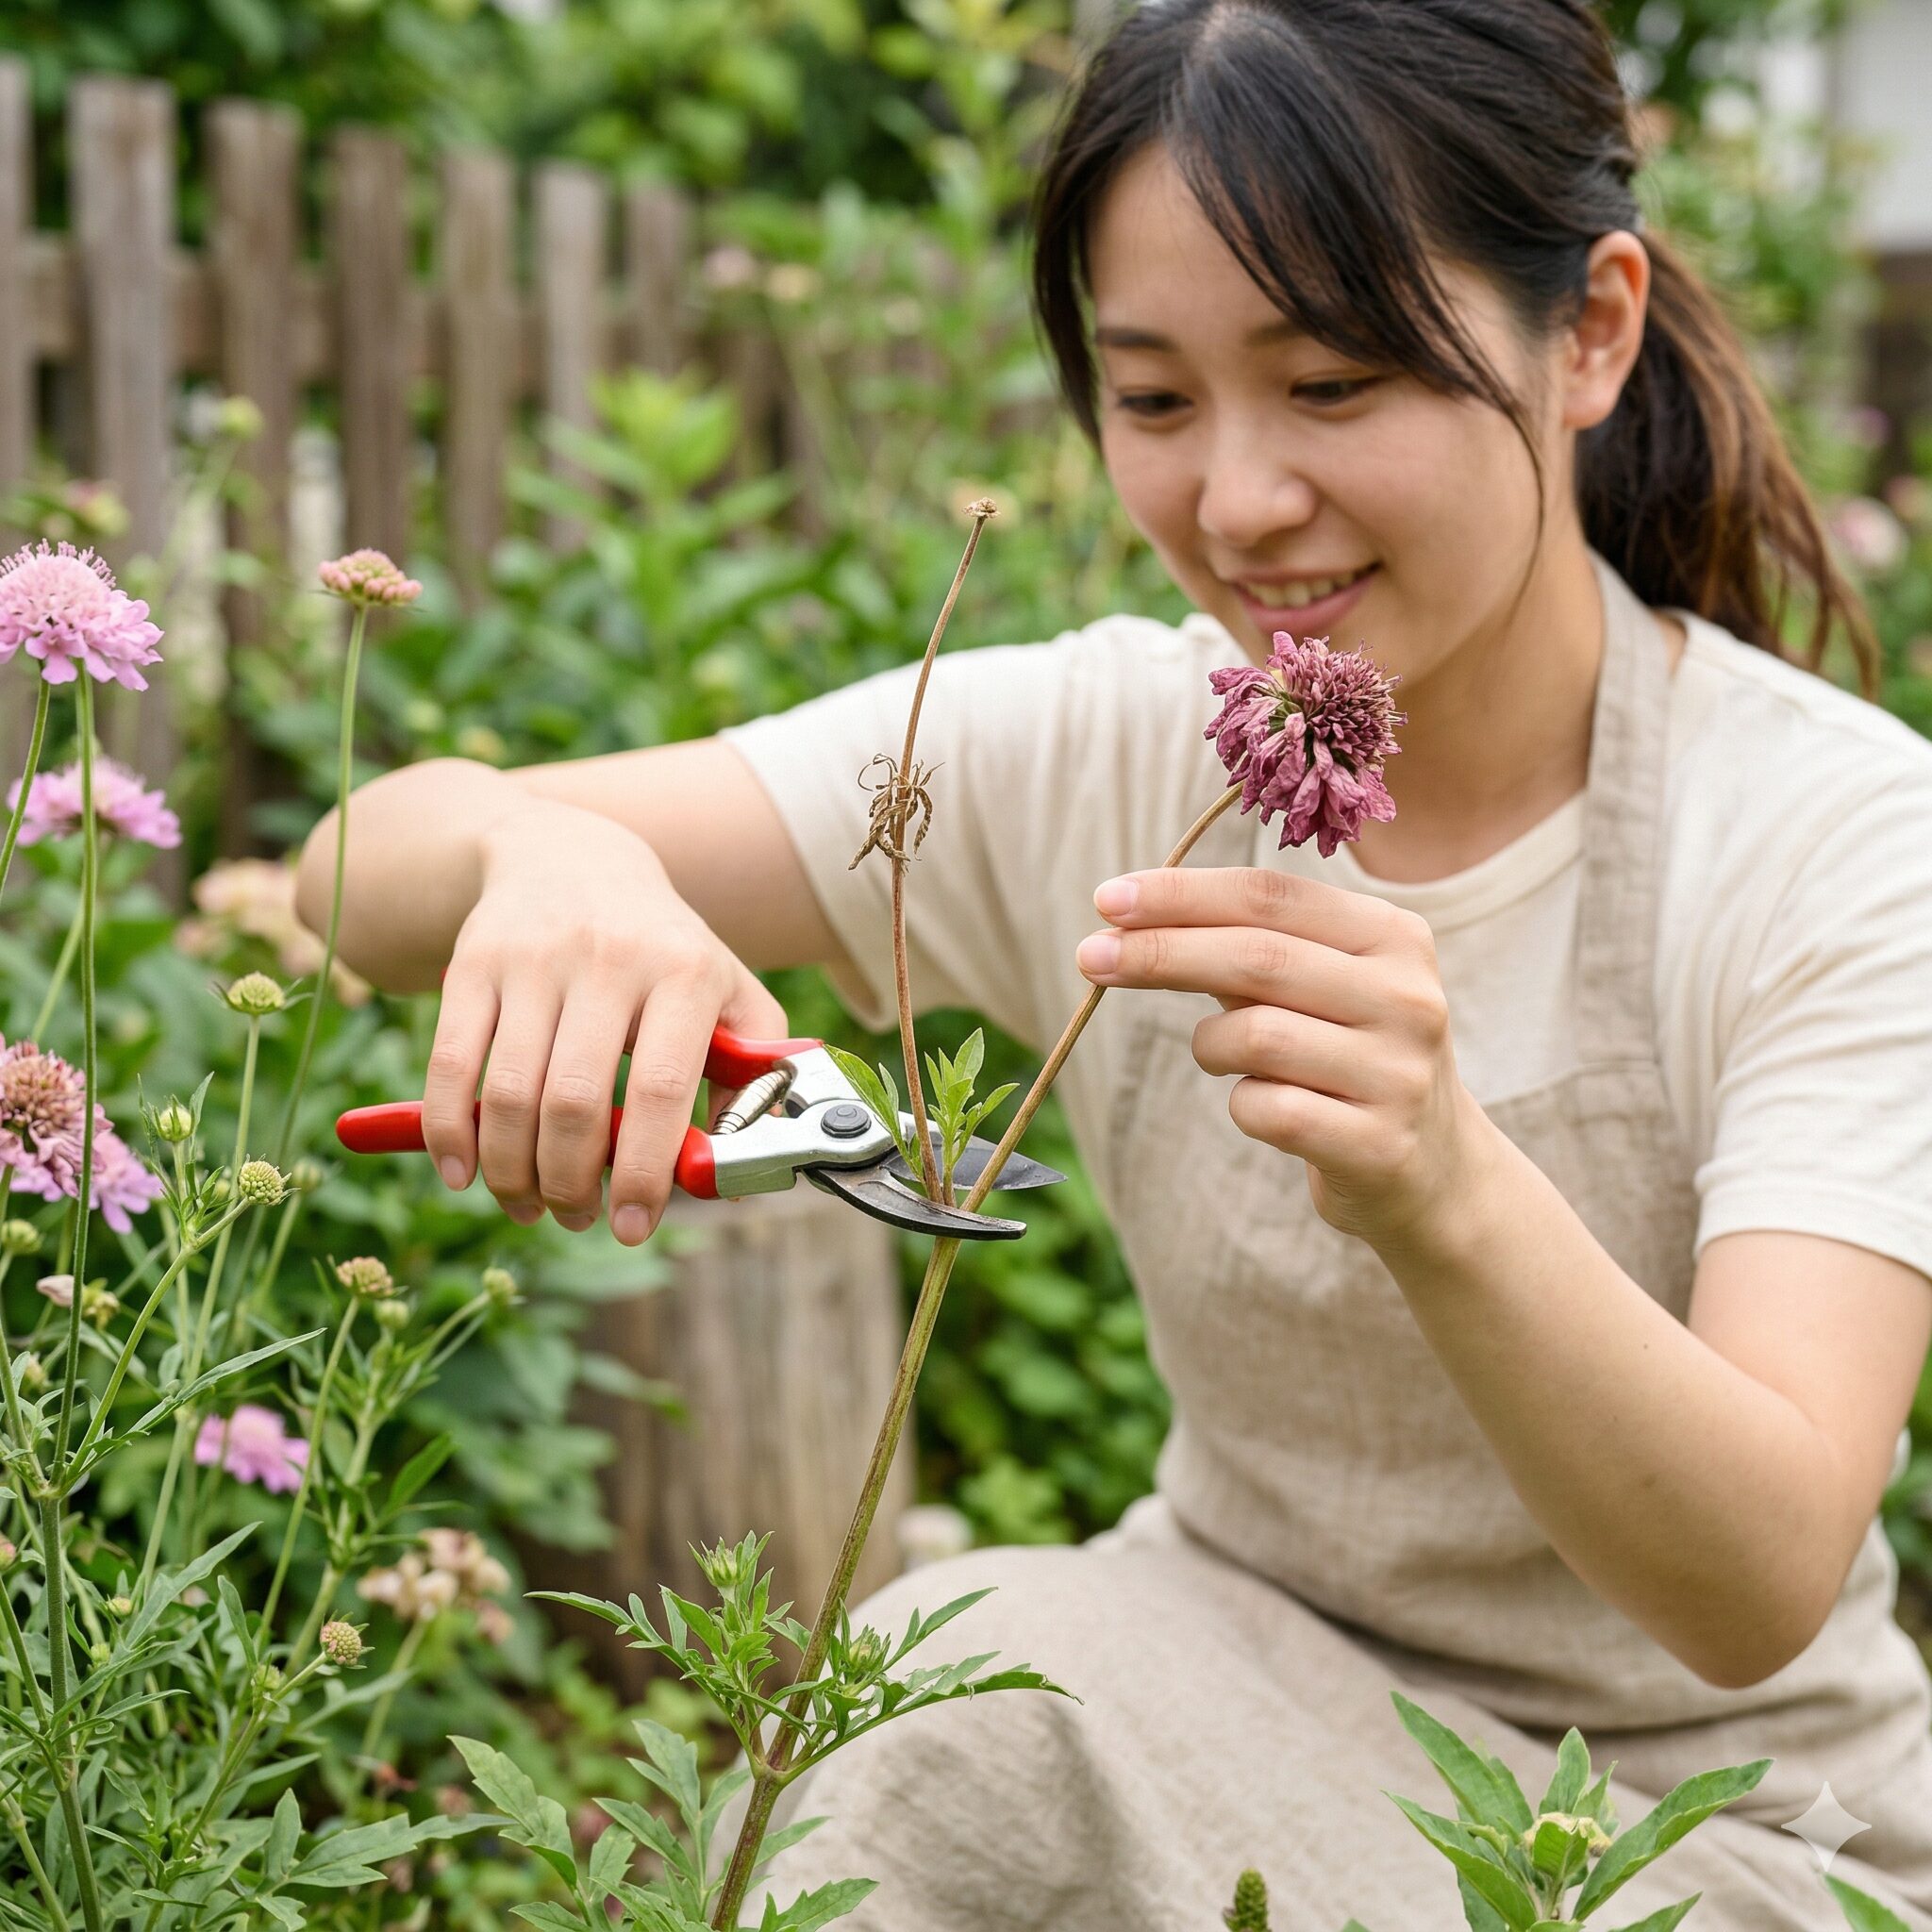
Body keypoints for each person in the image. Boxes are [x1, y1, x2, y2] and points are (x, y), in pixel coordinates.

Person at [300, 1, 1932, 1924]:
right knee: (942, 1711)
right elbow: (350, 871)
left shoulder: (1834, 834)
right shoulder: (1105, 751)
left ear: (1586, 331)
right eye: (1154, 402)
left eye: (1329, 385)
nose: (1234, 503)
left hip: (1690, 1840)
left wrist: (1446, 1186)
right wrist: (541, 848)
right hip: (1214, 1662)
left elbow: (1752, 1582)